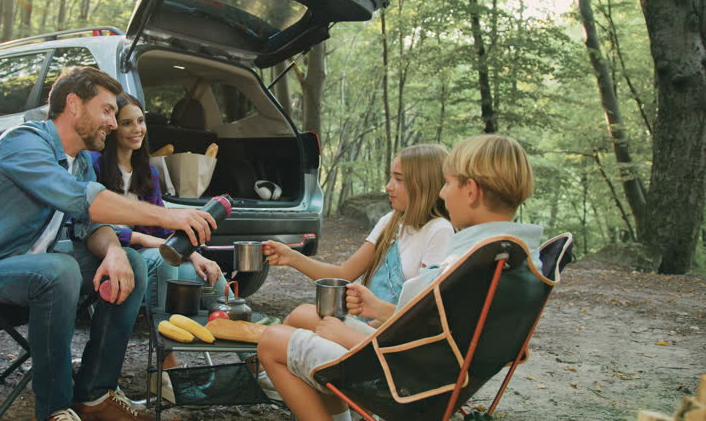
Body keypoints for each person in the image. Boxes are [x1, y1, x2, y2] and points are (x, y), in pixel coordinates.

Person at [0, 66, 216, 421]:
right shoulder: (23, 143)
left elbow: (93, 223)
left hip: (34, 265)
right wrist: (170, 218)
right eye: (107, 110)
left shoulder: (80, 163)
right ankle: (56, 409)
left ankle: (95, 393)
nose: (113, 122)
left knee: (133, 263)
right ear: (74, 105)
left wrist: (113, 252)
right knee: (59, 269)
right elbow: (84, 200)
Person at [257, 134, 544, 421]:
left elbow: (419, 342)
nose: (442, 194)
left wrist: (348, 336)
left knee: (271, 340)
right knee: (302, 318)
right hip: (433, 374)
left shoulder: (470, 262)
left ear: (470, 190)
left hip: (404, 378)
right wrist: (373, 311)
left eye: (448, 184)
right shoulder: (521, 261)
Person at [89, 93, 227, 403]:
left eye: (140, 121)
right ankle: (166, 366)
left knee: (214, 278)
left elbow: (163, 227)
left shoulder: (147, 171)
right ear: (112, 128)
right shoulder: (95, 165)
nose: (137, 129)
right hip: (113, 251)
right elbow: (99, 226)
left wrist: (195, 254)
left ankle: (251, 365)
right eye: (126, 123)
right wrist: (155, 244)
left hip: (154, 247)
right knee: (164, 262)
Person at [262, 144, 453, 334]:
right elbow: (343, 274)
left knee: (299, 316)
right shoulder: (391, 221)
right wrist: (291, 257)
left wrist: (377, 319)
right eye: (391, 177)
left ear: (424, 184)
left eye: (398, 179)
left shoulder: (439, 230)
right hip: (365, 323)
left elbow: (424, 308)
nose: (388, 186)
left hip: (394, 331)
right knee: (290, 326)